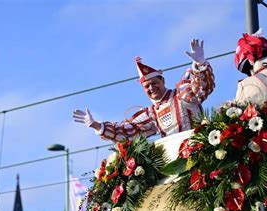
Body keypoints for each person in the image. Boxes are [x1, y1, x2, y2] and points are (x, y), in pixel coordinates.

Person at [73, 39, 215, 142]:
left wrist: (200, 63)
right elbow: (128, 131)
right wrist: (97, 125)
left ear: (162, 81)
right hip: (175, 160)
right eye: (147, 86)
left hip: (200, 147)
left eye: (154, 83)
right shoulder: (151, 114)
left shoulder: (181, 94)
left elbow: (202, 87)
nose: (152, 88)